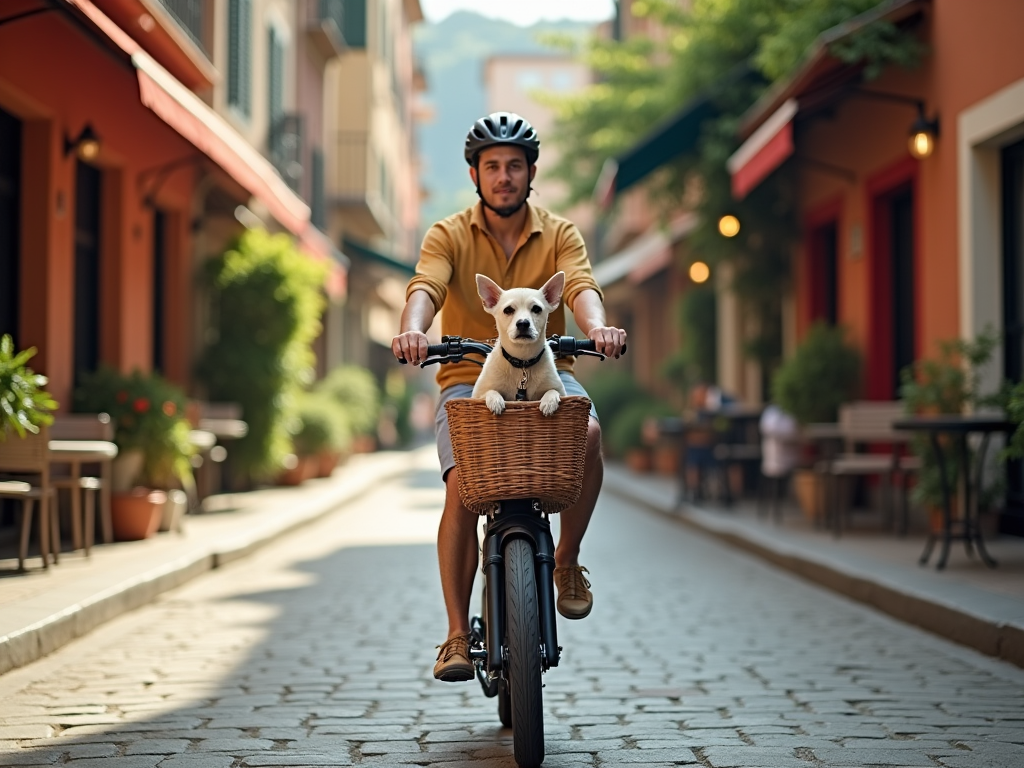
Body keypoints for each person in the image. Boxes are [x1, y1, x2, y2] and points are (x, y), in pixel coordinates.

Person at [391, 112, 627, 682]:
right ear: (475, 173)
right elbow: (426, 285)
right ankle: (453, 635)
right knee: (459, 490)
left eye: (514, 166)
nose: (503, 176)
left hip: (550, 371)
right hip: (467, 379)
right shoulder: (447, 233)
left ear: (530, 172)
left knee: (588, 432)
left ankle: (566, 562)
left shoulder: (560, 232)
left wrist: (597, 326)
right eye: (492, 166)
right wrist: (414, 328)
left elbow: (581, 286)